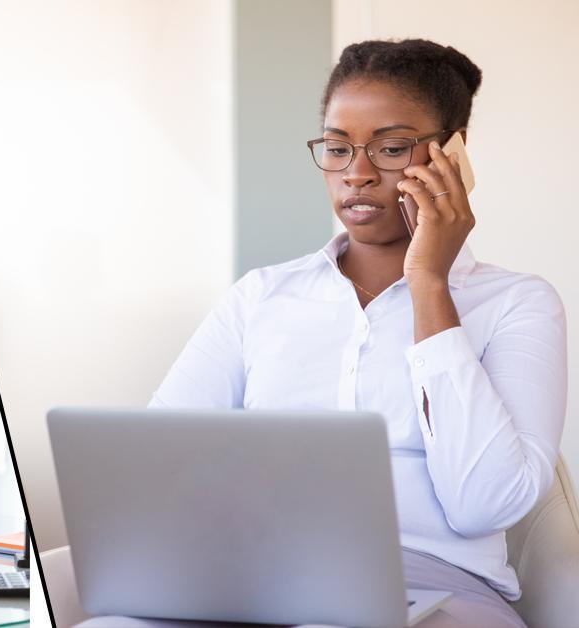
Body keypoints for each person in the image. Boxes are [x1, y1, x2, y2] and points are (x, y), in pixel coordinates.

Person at [150, 39, 565, 628]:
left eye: (391, 148)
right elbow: (156, 466)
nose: (358, 174)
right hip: (259, 576)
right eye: (339, 148)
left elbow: (484, 504)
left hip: (433, 587)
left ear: (453, 153)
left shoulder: (517, 303)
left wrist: (429, 284)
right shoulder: (260, 298)